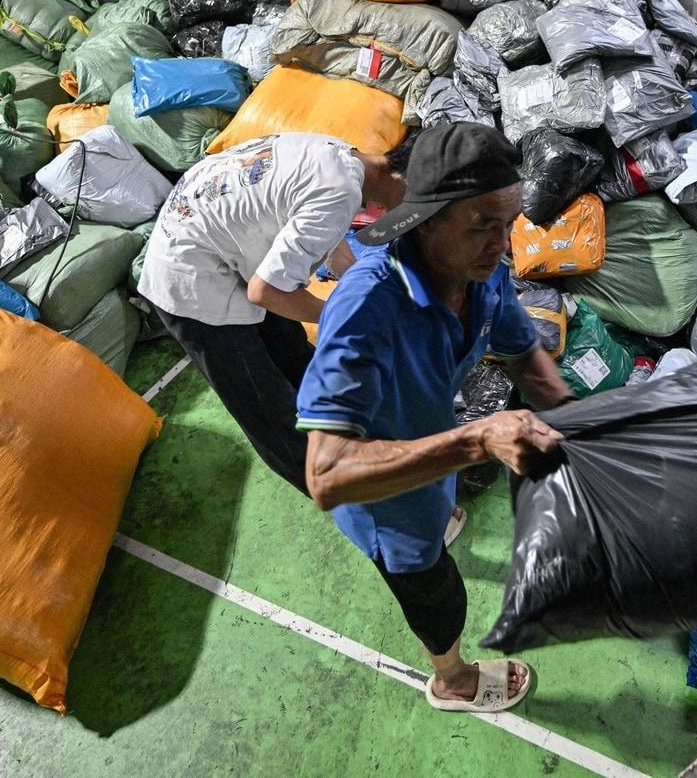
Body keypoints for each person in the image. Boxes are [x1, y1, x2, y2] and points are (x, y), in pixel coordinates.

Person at [296, 123, 576, 713]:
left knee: (440, 512)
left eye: (508, 225)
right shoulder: (366, 307)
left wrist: (582, 420)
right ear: (424, 220)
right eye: (482, 226)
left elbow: (521, 347)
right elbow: (326, 476)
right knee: (435, 588)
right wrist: (477, 440)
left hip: (430, 449)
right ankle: (451, 679)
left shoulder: (481, 271)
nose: (501, 244)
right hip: (386, 496)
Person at [137, 132, 408, 496]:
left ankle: (361, 445)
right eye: (417, 202)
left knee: (297, 359)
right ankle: (367, 503)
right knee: (269, 408)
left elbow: (325, 232)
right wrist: (340, 315)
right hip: (191, 282)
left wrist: (359, 288)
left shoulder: (343, 156)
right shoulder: (340, 190)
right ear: (404, 178)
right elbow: (265, 292)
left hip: (231, 255)